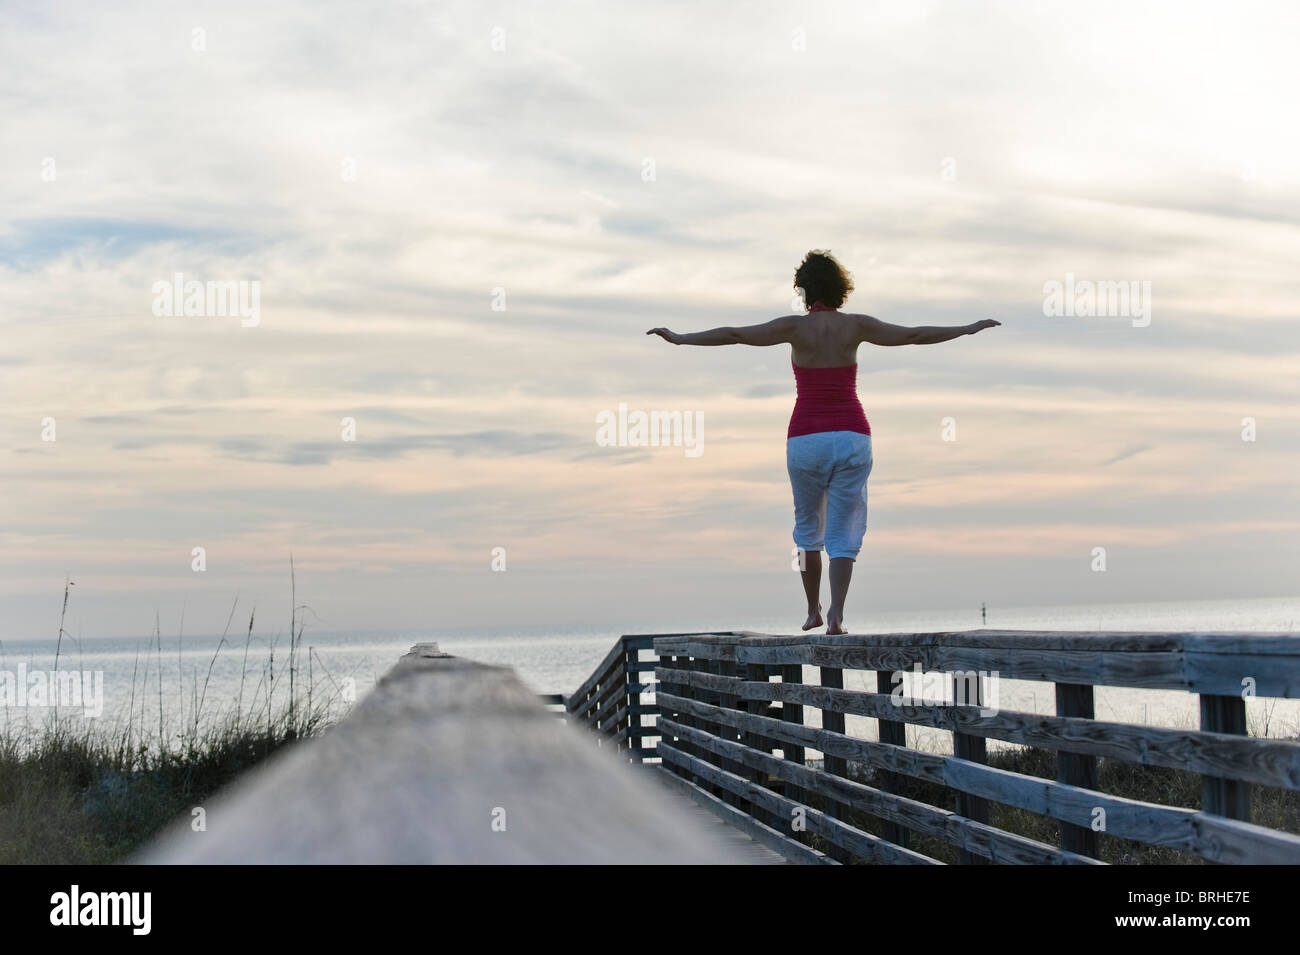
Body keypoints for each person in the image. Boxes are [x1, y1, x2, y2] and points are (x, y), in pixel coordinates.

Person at [647, 249, 999, 633]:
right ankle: (836, 615)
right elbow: (914, 335)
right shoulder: (856, 326)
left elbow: (735, 335)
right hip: (851, 436)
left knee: (806, 529)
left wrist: (681, 339)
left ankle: (812, 610)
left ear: (803, 289)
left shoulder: (794, 328)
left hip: (805, 440)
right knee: (844, 530)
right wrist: (965, 329)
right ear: (840, 287)